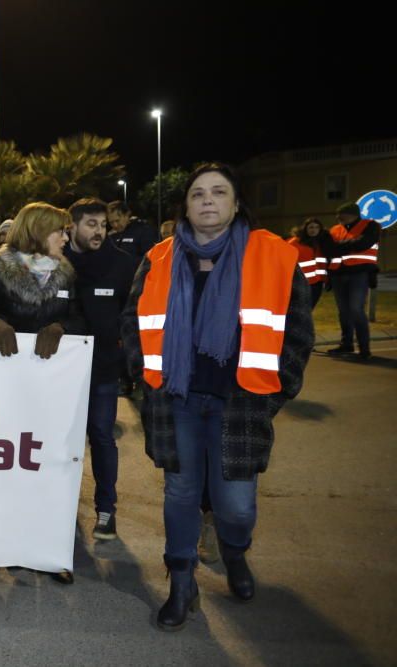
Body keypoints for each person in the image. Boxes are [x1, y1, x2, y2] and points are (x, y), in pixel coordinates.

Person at [120, 162, 313, 631]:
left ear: (235, 202)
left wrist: (272, 395)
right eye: (198, 194)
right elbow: (132, 323)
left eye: (218, 192)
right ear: (185, 206)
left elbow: (297, 335)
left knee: (237, 506)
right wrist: (146, 387)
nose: (207, 200)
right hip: (178, 400)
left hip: (240, 400)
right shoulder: (160, 257)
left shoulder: (272, 254)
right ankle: (181, 580)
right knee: (181, 491)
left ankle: (234, 550)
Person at [0, 201, 82, 584]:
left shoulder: (67, 273)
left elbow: (78, 316)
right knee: (11, 467)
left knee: (52, 466)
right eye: (60, 231)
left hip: (53, 388)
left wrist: (59, 328)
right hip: (6, 387)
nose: (66, 238)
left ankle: (52, 551)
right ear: (38, 232)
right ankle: (8, 543)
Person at [63, 198, 136, 541]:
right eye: (91, 224)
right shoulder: (57, 262)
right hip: (61, 373)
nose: (99, 231)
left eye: (103, 225)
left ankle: (106, 509)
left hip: (104, 370)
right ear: (72, 225)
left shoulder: (122, 265)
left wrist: (124, 359)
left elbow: (130, 317)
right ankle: (61, 509)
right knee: (63, 444)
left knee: (102, 438)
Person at [324, 202, 380, 359]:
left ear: (353, 214)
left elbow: (363, 243)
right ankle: (346, 344)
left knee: (356, 309)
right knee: (344, 311)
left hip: (359, 273)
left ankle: (364, 349)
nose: (338, 218)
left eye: (341, 214)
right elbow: (328, 249)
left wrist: (339, 246)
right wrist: (349, 245)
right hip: (337, 274)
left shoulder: (370, 225)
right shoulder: (335, 229)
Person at [286, 217, 328, 309]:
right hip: (300, 282)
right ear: (305, 228)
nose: (314, 230)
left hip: (317, 282)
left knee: (309, 309)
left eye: (317, 227)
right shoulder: (295, 242)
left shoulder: (323, 242)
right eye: (311, 227)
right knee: (300, 309)